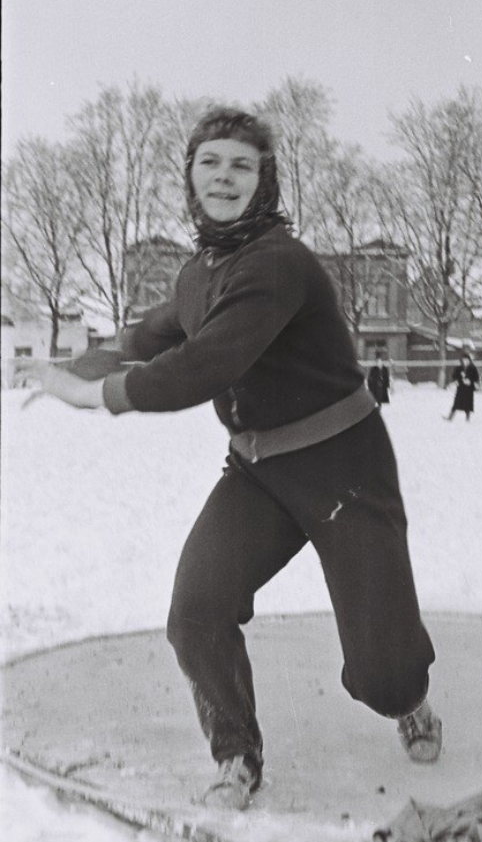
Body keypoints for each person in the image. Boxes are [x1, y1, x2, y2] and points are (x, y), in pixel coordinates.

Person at [16, 107, 441, 812]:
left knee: (385, 677)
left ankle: (412, 699)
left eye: (240, 164)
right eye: (209, 162)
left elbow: (202, 366)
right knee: (195, 612)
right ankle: (237, 754)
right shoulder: (197, 273)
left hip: (343, 468)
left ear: (263, 180)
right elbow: (142, 337)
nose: (223, 176)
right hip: (258, 472)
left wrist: (92, 396)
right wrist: (70, 367)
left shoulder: (279, 262)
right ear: (189, 176)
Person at [445, 352, 480, 421]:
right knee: (456, 403)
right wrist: (457, 381)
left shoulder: (473, 368)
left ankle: (467, 419)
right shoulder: (459, 368)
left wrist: (470, 381)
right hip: (461, 388)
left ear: (469, 360)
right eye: (463, 360)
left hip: (469, 389)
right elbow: (454, 376)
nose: (465, 361)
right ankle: (450, 417)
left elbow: (476, 378)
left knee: (468, 405)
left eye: (466, 360)